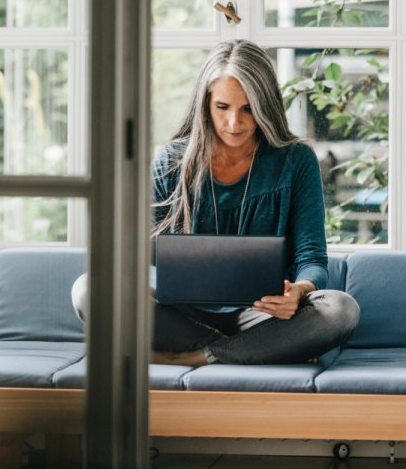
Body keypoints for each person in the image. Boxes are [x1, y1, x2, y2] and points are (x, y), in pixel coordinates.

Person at [71, 40, 359, 366]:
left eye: (248, 108)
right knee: (88, 289)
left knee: (341, 309)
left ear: (266, 105)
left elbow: (313, 259)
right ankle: (251, 349)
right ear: (205, 103)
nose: (234, 123)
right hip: (182, 317)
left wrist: (300, 291)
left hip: (261, 316)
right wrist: (149, 284)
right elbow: (141, 257)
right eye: (223, 107)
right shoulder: (171, 161)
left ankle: (198, 356)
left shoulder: (296, 160)